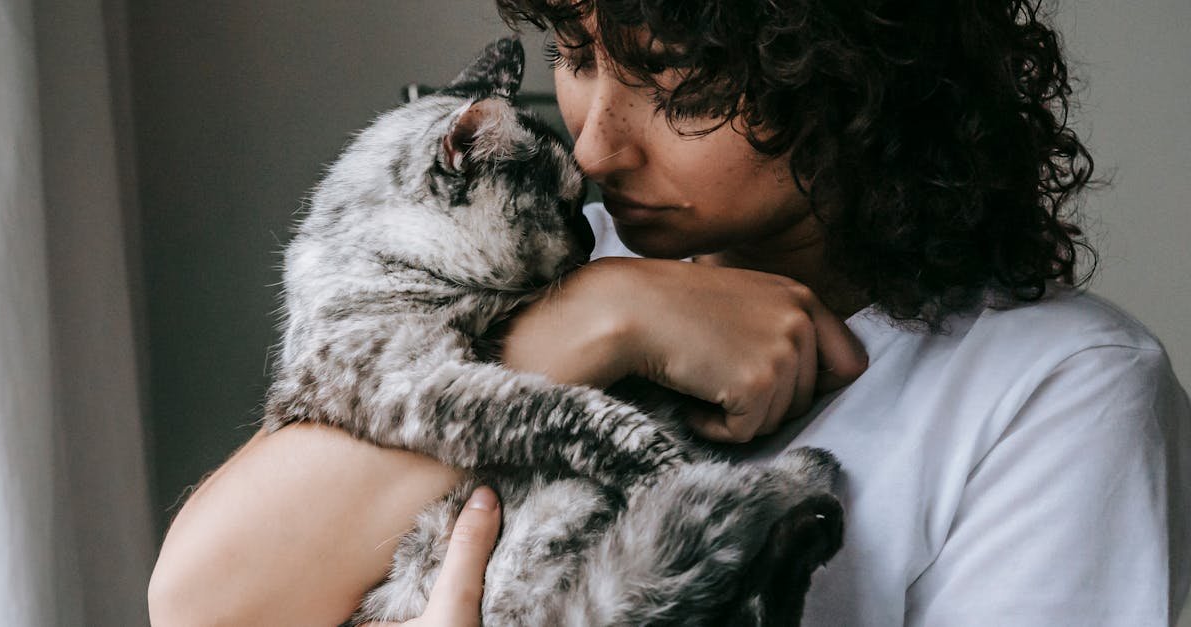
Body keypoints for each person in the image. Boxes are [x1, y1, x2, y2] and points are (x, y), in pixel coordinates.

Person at [148, 1, 1191, 625]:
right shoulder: (554, 271)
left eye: (679, 89)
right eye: (578, 53)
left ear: (857, 80)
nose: (595, 147)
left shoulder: (1059, 389)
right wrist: (594, 320)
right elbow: (202, 601)